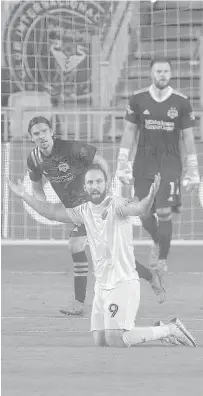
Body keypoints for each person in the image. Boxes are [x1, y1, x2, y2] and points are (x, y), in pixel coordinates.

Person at [8, 164, 196, 348]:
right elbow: (51, 212)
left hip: (122, 282)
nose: (94, 186)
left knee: (115, 340)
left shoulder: (118, 205)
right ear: (85, 187)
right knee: (100, 340)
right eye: (90, 182)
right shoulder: (83, 210)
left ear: (107, 184)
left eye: (99, 181)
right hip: (102, 286)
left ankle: (170, 329)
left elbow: (137, 209)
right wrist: (24, 195)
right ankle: (160, 329)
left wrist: (150, 197)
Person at [26, 116, 164, 317]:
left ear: (51, 132)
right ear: (31, 138)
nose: (41, 136)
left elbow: (99, 160)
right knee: (113, 257)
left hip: (94, 206)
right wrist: (43, 205)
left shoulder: (70, 148)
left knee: (87, 249)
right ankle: (151, 277)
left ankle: (78, 302)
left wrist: (105, 186)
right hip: (78, 213)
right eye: (36, 134)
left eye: (44, 131)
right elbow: (37, 188)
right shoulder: (34, 159)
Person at [116, 57, 200, 284]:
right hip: (143, 161)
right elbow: (129, 131)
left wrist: (193, 168)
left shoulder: (181, 102)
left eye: (165, 71)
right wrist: (122, 161)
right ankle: (157, 240)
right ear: (151, 73)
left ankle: (162, 258)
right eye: (158, 71)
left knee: (164, 212)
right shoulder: (138, 99)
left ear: (170, 74)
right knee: (143, 213)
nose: (162, 74)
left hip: (170, 162)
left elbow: (189, 137)